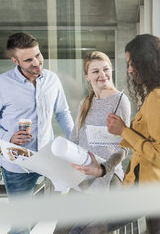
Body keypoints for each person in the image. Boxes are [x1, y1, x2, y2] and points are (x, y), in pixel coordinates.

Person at [0, 32, 74, 233]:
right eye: (28, 60)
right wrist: (6, 137)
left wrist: (75, 143)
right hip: (17, 165)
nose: (37, 62)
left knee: (50, 215)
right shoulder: (1, 84)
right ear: (15, 60)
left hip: (48, 159)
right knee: (21, 224)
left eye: (38, 55)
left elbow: (62, 112)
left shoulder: (52, 80)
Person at [53, 51, 131, 234]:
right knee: (61, 230)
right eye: (95, 71)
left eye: (105, 69)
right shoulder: (85, 103)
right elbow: (75, 139)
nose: (102, 75)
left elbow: (125, 146)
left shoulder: (120, 100)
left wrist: (104, 168)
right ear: (87, 76)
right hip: (83, 177)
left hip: (108, 177)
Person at [106, 34, 160, 234]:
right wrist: (125, 131)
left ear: (147, 62)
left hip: (149, 187)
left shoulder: (156, 98)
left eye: (132, 63)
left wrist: (124, 130)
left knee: (89, 227)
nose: (130, 69)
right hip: (157, 188)